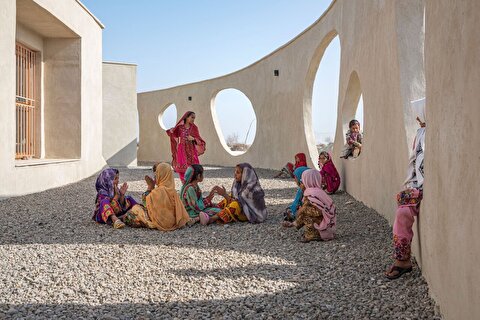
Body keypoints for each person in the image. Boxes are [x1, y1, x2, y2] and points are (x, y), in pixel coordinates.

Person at [385, 98, 426, 280]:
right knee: (401, 203)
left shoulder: (427, 134)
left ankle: (403, 261)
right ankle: (402, 258)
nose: (417, 119)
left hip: (422, 185)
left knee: (402, 213)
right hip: (416, 184)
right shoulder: (420, 134)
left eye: (419, 114)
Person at [123, 162, 192, 231]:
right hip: (172, 222)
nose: (155, 176)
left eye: (157, 174)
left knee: (133, 210)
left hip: (160, 222)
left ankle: (149, 223)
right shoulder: (173, 191)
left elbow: (145, 203)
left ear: (160, 175)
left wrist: (150, 187)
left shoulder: (159, 191)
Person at [202, 163, 268, 224]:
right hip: (241, 210)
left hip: (251, 214)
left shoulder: (252, 189)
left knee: (235, 204)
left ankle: (212, 219)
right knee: (228, 199)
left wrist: (224, 194)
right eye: (235, 172)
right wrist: (226, 196)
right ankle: (210, 211)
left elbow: (240, 203)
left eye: (238, 172)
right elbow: (234, 197)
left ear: (245, 175)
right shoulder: (238, 185)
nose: (235, 174)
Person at [283, 169, 336, 242]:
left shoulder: (313, 194)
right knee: (304, 212)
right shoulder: (315, 192)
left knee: (306, 215)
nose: (301, 183)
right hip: (325, 224)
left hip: (323, 226)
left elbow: (319, 212)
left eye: (302, 181)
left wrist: (303, 209)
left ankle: (313, 235)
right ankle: (294, 224)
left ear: (308, 181)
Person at [167, 111, 206, 183]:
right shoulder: (180, 127)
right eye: (192, 117)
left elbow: (199, 140)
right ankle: (184, 184)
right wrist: (171, 131)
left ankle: (192, 183)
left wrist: (193, 139)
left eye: (194, 118)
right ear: (186, 117)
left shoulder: (194, 128)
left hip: (191, 151)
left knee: (194, 168)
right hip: (182, 150)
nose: (193, 119)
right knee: (182, 168)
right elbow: (174, 134)